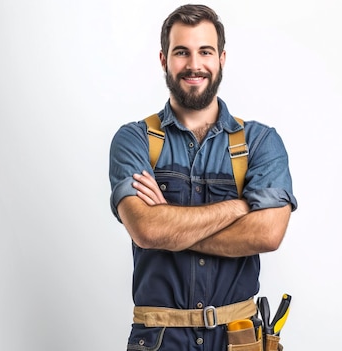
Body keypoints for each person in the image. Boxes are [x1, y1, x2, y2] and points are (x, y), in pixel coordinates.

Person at [108, 4, 297, 351]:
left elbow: (268, 233)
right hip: (160, 339)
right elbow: (147, 230)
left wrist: (171, 228)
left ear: (222, 58)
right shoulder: (134, 140)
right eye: (182, 52)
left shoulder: (260, 142)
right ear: (164, 59)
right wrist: (240, 207)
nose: (194, 65)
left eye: (205, 52)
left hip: (238, 338)